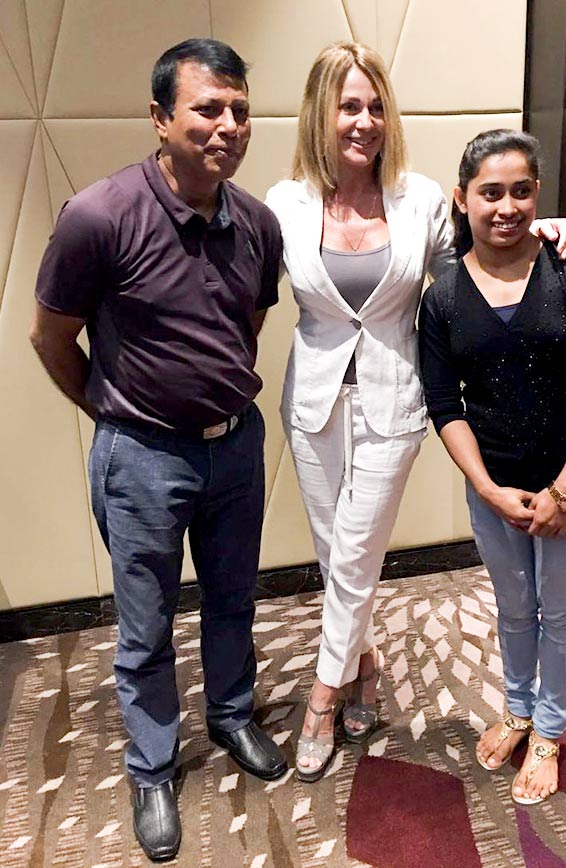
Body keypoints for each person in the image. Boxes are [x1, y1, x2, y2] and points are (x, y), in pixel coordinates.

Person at [265, 43, 566, 783]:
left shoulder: (418, 200)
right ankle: (366, 667)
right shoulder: (284, 205)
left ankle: (321, 698)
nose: (365, 120)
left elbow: (486, 249)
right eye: (350, 105)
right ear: (322, 111)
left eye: (376, 105)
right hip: (313, 400)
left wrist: (547, 230)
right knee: (336, 555)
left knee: (354, 553)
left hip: (394, 399)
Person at [29, 38, 288, 861]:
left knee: (233, 599)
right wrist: (116, 413)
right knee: (144, 628)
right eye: (208, 108)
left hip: (234, 450)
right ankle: (150, 766)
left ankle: (233, 715)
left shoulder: (257, 224)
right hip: (139, 456)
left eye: (239, 109)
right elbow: (51, 337)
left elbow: (244, 331)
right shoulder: (99, 216)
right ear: (160, 119)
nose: (228, 126)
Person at [419, 129, 566, 804]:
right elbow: (442, 402)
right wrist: (486, 490)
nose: (505, 206)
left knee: (559, 611)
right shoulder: (444, 296)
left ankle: (549, 732)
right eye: (489, 192)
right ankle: (517, 710)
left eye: (519, 190)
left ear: (537, 194)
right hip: (495, 489)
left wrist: (564, 493)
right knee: (514, 609)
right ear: (462, 200)